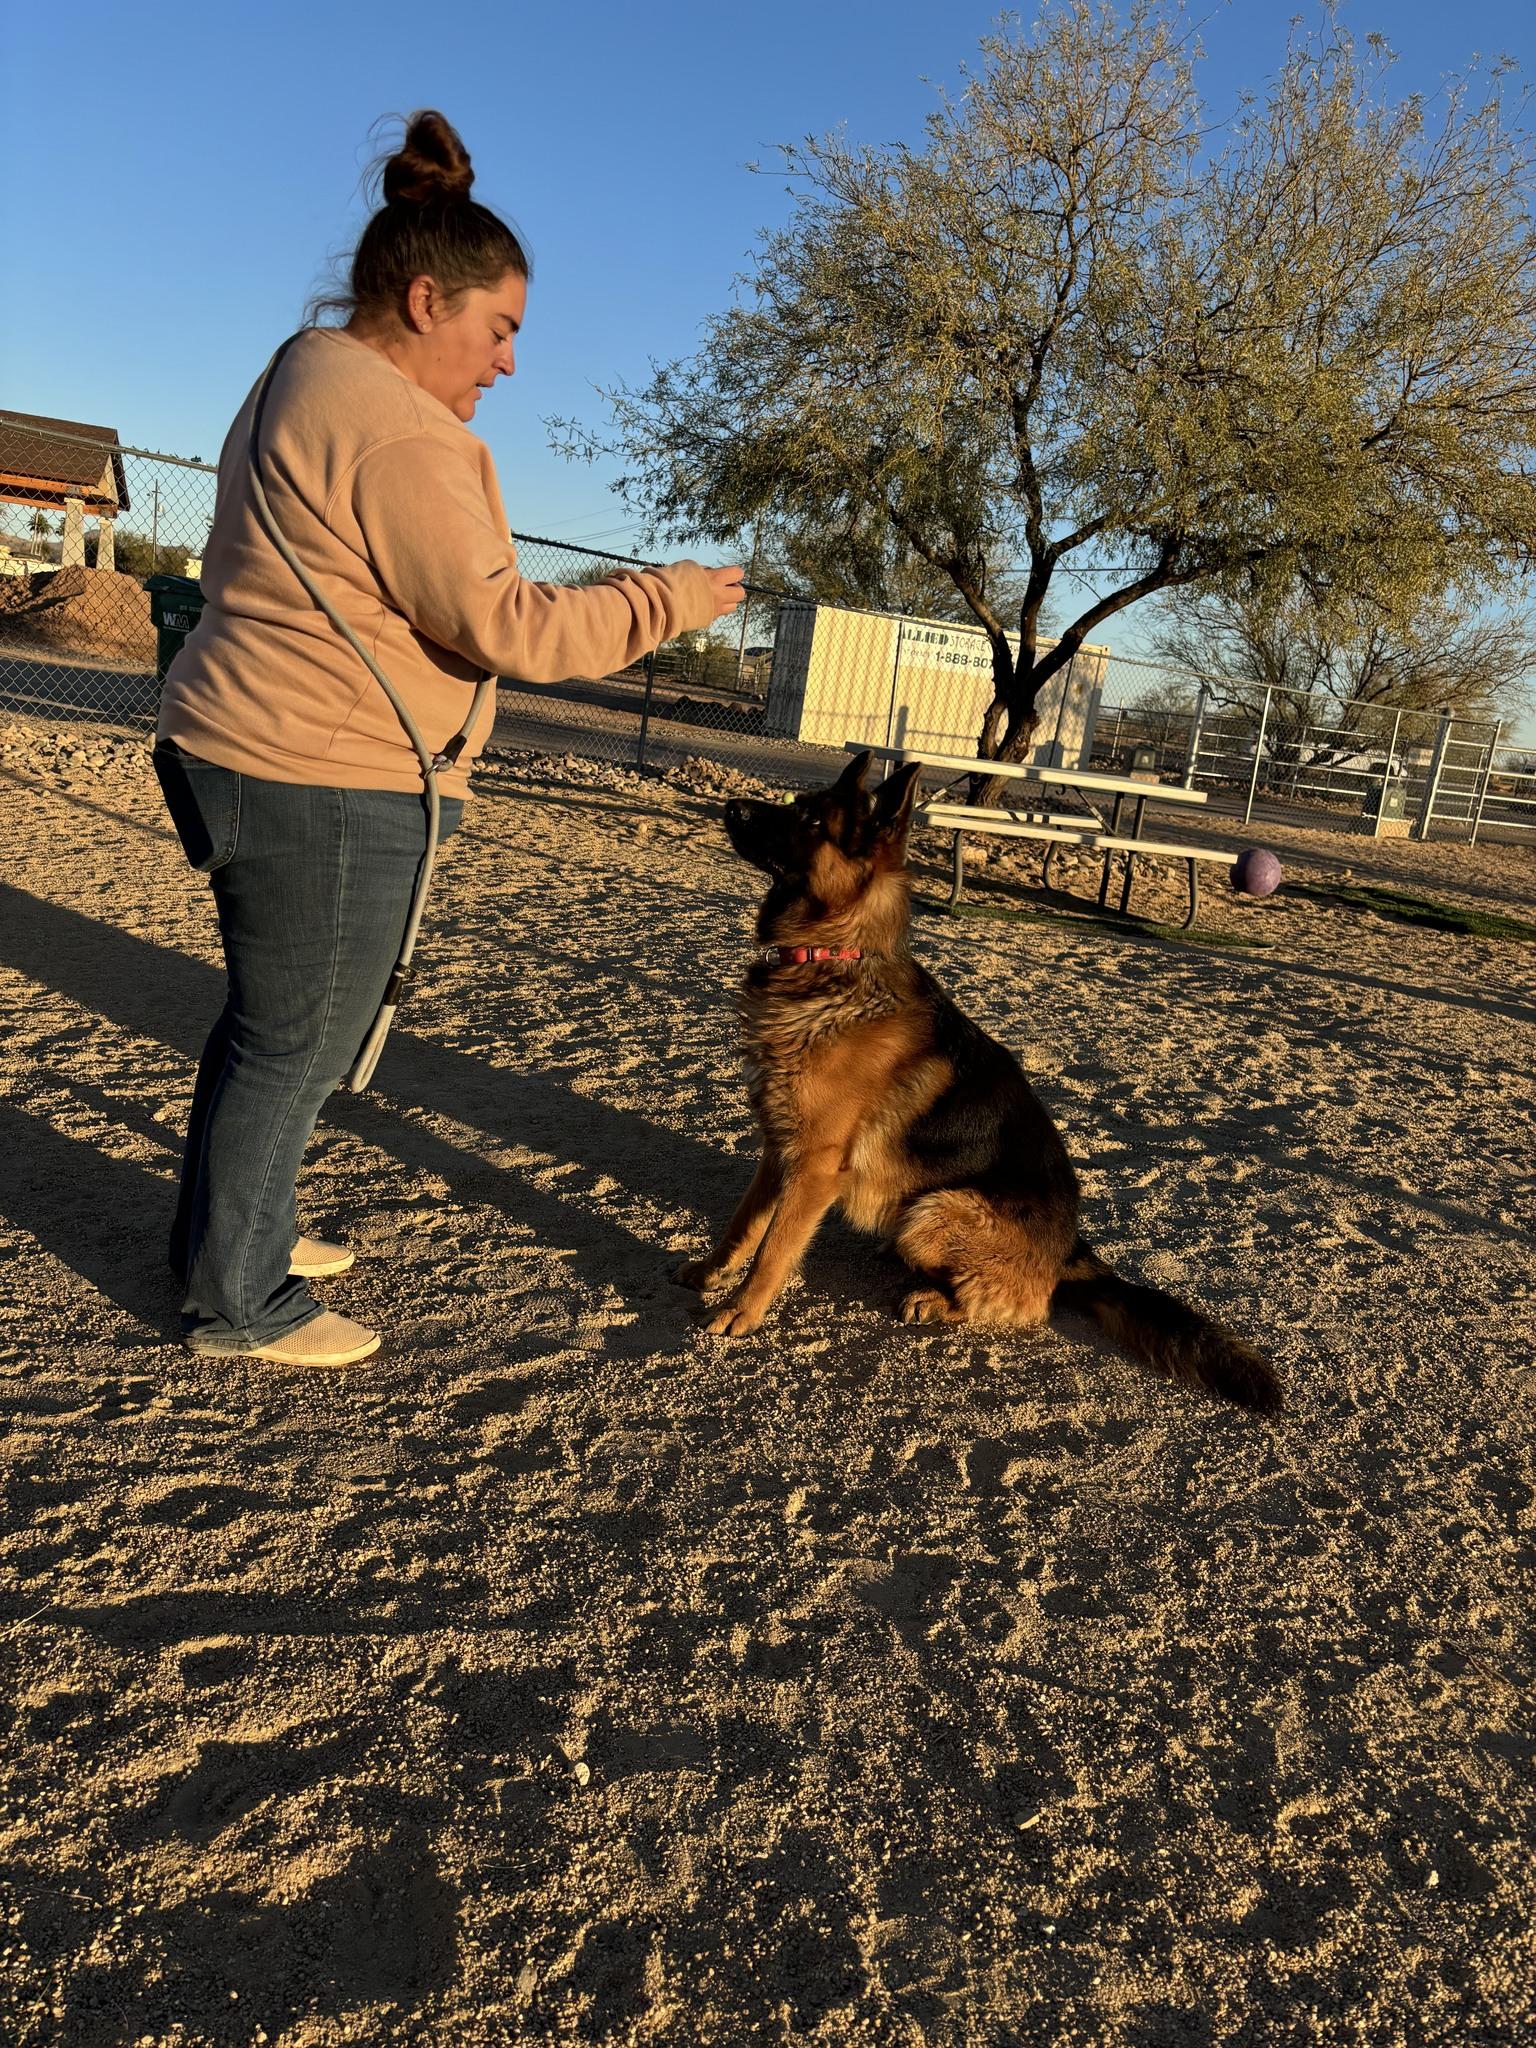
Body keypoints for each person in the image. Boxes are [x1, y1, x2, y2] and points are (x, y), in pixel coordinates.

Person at [153, 110, 742, 1368]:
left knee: (273, 1019)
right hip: (314, 767)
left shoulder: (302, 372)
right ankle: (238, 1298)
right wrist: (672, 597)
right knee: (297, 1032)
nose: (509, 362)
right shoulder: (395, 428)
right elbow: (508, 625)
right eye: (502, 328)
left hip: (257, 742)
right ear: (427, 300)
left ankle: (235, 1231)